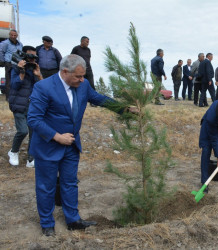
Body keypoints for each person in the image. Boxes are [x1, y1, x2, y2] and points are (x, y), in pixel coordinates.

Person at [27, 54, 126, 236]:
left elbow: (99, 99)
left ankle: (73, 220)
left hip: (71, 145)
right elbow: (33, 119)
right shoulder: (43, 87)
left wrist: (124, 109)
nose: (82, 80)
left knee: (70, 183)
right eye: (78, 76)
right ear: (65, 72)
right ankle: (47, 223)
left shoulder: (83, 85)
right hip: (48, 146)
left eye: (83, 76)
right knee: (46, 186)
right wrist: (57, 136)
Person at [8, 46, 43, 167]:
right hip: (18, 104)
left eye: (34, 57)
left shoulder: (34, 70)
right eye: (30, 57)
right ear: (24, 56)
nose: (32, 60)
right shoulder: (15, 69)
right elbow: (14, 85)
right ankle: (13, 151)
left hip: (32, 106)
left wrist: (38, 75)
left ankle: (31, 158)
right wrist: (21, 71)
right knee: (22, 131)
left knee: (33, 133)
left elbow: (43, 88)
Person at [0, 29, 23, 101]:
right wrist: (3, 61)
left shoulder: (20, 44)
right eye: (12, 35)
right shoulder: (4, 43)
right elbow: (1, 52)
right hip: (9, 63)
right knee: (9, 81)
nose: (13, 36)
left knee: (18, 79)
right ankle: (9, 98)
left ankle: (17, 96)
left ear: (17, 36)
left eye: (15, 35)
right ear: (9, 35)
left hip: (18, 64)